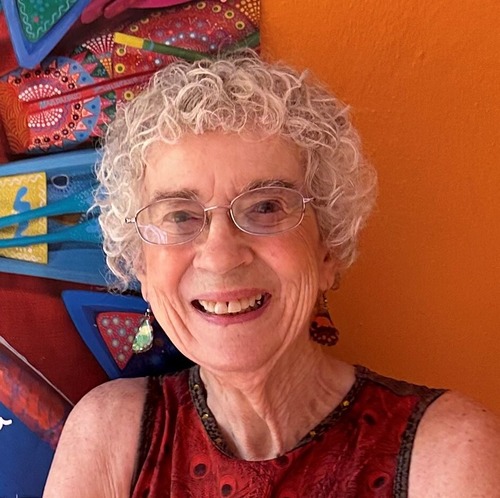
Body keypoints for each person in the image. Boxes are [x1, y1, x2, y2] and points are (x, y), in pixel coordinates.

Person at [43, 51, 500, 497]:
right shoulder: (107, 439)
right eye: (180, 216)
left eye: (265, 207)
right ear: (142, 266)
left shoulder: (449, 453)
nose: (220, 256)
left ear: (327, 249)